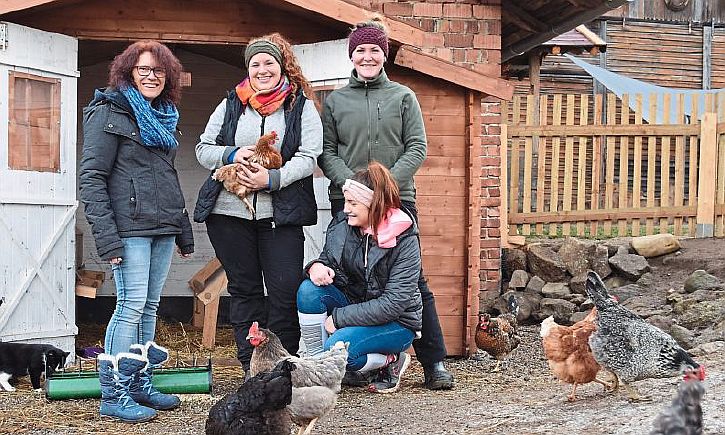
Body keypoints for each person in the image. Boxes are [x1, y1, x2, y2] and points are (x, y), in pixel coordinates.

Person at [318, 17, 454, 390]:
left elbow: (417, 148)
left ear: (385, 55)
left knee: (414, 283)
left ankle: (434, 361)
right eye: (360, 50)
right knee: (348, 275)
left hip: (397, 201)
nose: (367, 56)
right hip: (347, 203)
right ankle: (360, 358)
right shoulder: (336, 101)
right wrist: (353, 187)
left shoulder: (403, 97)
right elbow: (327, 153)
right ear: (352, 55)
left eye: (374, 50)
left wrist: (383, 189)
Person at [194, 33, 323, 373]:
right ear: (247, 69)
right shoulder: (231, 104)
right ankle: (250, 368)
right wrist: (234, 153)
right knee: (244, 290)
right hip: (228, 214)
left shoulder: (300, 106)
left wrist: (272, 180)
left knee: (283, 291)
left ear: (282, 67)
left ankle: (282, 367)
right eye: (255, 64)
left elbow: (309, 157)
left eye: (269, 63)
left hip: (280, 216)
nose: (262, 69)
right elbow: (203, 148)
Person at [80, 40, 193, 422]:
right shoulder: (108, 112)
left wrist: (183, 228)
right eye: (143, 69)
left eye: (158, 71)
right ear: (128, 72)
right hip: (128, 229)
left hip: (161, 226)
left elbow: (166, 177)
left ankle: (140, 385)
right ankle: (113, 394)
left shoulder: (163, 116)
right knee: (128, 307)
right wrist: (107, 238)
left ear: (168, 77)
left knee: (148, 306)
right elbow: (92, 179)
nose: (151, 76)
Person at [297, 161, 421, 393]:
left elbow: (394, 303)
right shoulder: (343, 225)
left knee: (338, 348)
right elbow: (328, 259)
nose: (346, 209)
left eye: (353, 203)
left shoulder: (405, 239)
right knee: (308, 290)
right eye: (346, 202)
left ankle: (391, 361)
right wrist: (316, 267)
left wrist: (340, 318)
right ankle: (317, 368)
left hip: (396, 322)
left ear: (373, 204)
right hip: (356, 307)